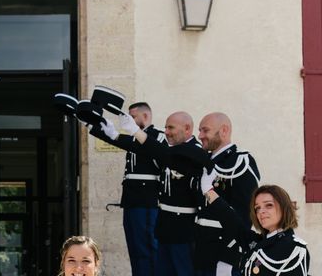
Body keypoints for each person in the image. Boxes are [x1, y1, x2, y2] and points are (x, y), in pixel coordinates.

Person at [119, 111, 211, 276]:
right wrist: (106, 131)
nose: (166, 132)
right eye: (166, 127)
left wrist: (136, 132)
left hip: (185, 231)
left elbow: (163, 154)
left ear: (187, 128)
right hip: (165, 228)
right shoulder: (172, 150)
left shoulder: (195, 151)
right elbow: (148, 149)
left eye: (171, 127)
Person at [90, 102, 164, 276]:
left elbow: (152, 153)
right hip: (132, 201)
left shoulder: (156, 136)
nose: (128, 121)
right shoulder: (135, 139)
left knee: (147, 249)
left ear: (145, 116)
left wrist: (119, 135)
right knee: (135, 250)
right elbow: (120, 140)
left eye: (132, 117)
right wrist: (92, 124)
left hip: (146, 202)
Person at [194, 112, 261, 276]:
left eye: (205, 130)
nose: (200, 135)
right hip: (202, 251)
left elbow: (246, 214)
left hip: (224, 253)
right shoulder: (205, 160)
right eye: (200, 130)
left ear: (223, 130)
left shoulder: (240, 162)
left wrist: (230, 252)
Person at [201, 177, 310, 276]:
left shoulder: (293, 248)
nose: (261, 211)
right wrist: (208, 191)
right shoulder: (261, 243)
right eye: (257, 208)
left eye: (269, 205)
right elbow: (232, 221)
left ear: (284, 207)